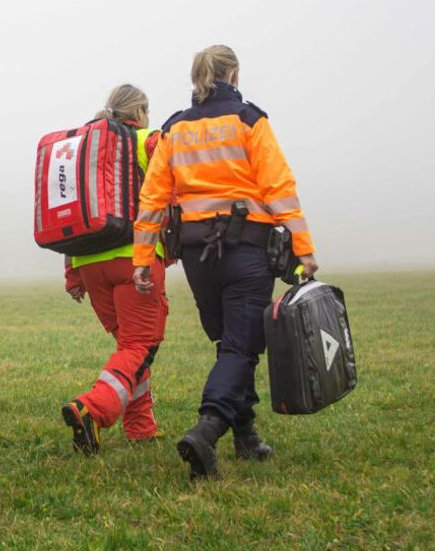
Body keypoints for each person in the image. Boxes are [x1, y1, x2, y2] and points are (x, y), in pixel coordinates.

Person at [132, 45, 318, 479]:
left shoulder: (174, 128)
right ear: (232, 74)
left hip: (197, 257)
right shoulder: (249, 119)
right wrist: (303, 247)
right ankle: (207, 429)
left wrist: (143, 257)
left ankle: (246, 435)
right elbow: (279, 186)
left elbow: (152, 198)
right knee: (241, 346)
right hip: (246, 252)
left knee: (229, 344)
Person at [61, 84, 170, 455]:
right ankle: (90, 409)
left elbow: (76, 209)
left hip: (89, 263)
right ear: (138, 112)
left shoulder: (88, 150)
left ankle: (140, 427)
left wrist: (72, 272)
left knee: (129, 347)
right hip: (133, 260)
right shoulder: (145, 141)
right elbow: (178, 175)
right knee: (140, 345)